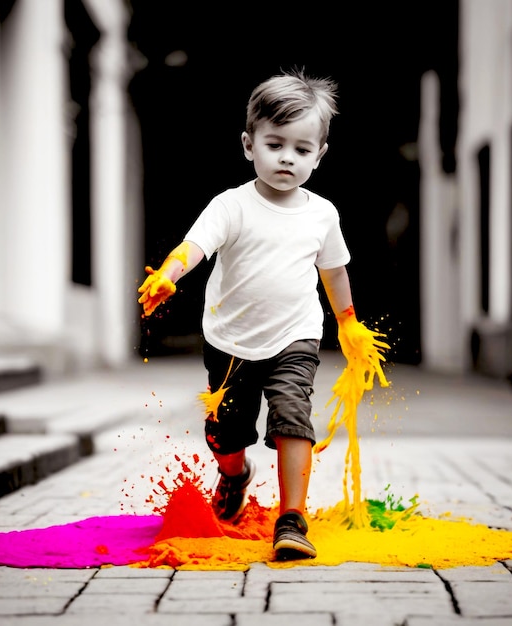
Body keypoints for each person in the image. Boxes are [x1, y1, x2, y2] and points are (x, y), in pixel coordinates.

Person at [138, 68, 358, 560]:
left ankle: (292, 519)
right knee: (225, 431)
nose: (287, 158)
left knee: (291, 415)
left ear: (319, 155)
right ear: (248, 145)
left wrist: (347, 322)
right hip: (229, 340)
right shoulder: (231, 206)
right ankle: (234, 473)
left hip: (294, 337)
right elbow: (194, 246)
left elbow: (335, 270)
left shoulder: (322, 214)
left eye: (302, 150)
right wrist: (168, 274)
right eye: (275, 144)